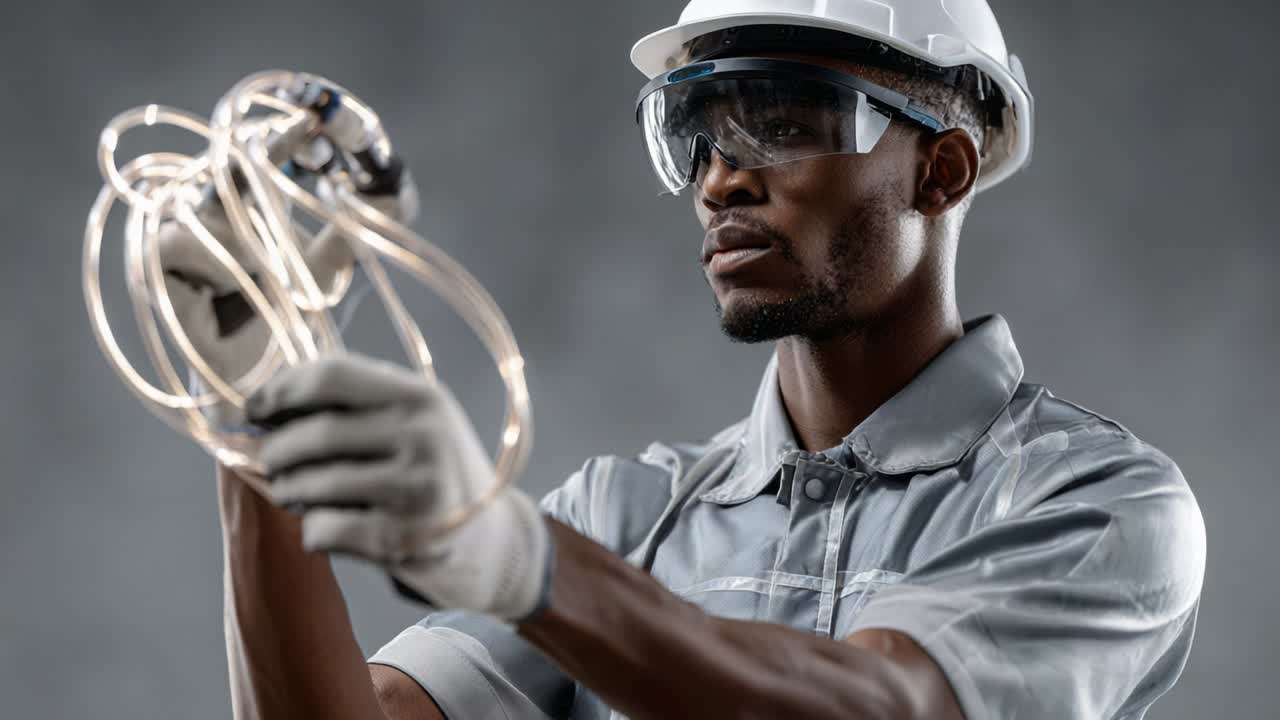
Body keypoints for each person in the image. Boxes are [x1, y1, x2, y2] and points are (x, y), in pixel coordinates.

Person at [166, 1, 1206, 718]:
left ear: (940, 169)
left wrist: (528, 566)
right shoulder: (621, 522)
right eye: (696, 134)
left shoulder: (1098, 507)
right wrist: (256, 405)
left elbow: (887, 706)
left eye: (782, 119)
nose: (719, 182)